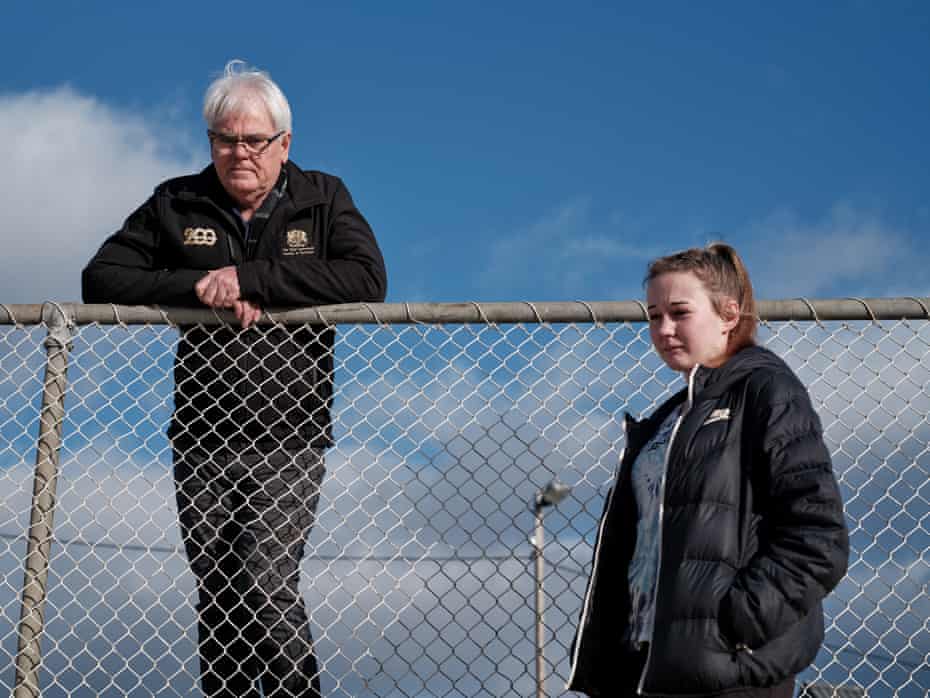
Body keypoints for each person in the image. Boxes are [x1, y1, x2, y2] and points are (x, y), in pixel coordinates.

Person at [82, 60, 387, 697]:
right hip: (201, 433)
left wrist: (253, 280)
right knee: (217, 588)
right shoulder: (175, 200)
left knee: (265, 577)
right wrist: (196, 285)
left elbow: (366, 278)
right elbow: (101, 277)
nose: (239, 153)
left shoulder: (323, 197)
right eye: (225, 140)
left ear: (284, 143)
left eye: (254, 140)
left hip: (289, 433)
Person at [567, 243, 848, 697]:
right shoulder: (665, 420)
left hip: (726, 670)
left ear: (729, 314)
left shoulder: (766, 390)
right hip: (646, 665)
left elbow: (818, 536)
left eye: (679, 312)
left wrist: (734, 624)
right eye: (654, 316)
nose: (663, 329)